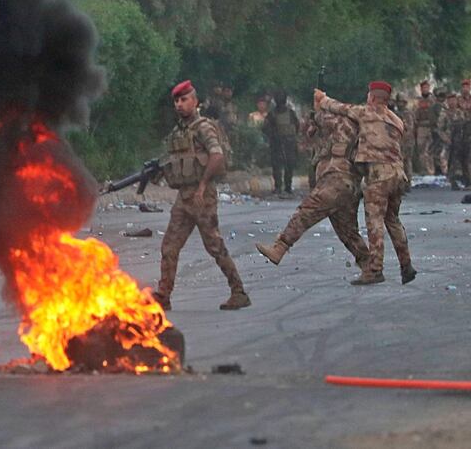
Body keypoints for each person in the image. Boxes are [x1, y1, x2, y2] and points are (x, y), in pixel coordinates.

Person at [153, 80, 251, 311]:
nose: (179, 104)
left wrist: (202, 186)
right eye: (176, 100)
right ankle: (163, 295)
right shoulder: (178, 132)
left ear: (195, 102)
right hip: (184, 197)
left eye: (184, 99)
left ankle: (239, 292)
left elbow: (216, 156)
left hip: (202, 196)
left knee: (214, 246)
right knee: (169, 247)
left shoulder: (204, 127)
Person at [314, 82, 417, 285]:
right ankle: (406, 265)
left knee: (375, 222)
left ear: (371, 97)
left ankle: (375, 270)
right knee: (393, 220)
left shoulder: (366, 113)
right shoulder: (397, 120)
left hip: (378, 176)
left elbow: (339, 107)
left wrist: (321, 98)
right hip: (398, 174)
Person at [255, 107, 371, 277]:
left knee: (307, 211)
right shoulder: (334, 129)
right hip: (344, 184)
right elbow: (311, 135)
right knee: (347, 231)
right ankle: (369, 265)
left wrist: (319, 107)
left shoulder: (341, 122)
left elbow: (322, 122)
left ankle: (280, 247)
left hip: (336, 181)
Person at [263, 90, 299, 195]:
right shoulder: (272, 114)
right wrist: (273, 135)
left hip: (289, 143)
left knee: (289, 165)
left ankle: (287, 186)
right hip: (277, 143)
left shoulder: (290, 113)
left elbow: (296, 126)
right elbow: (265, 128)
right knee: (277, 166)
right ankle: (278, 186)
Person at [437, 93, 465, 190]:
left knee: (459, 160)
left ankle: (462, 178)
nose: (452, 102)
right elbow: (440, 129)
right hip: (449, 141)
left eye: (454, 100)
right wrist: (445, 139)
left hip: (460, 140)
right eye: (450, 100)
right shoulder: (444, 113)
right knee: (449, 160)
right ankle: (452, 180)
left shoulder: (460, 113)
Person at [395, 93, 416, 187]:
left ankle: (407, 182)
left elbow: (409, 127)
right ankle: (402, 182)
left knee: (407, 161)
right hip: (400, 140)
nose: (400, 104)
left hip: (407, 140)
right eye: (399, 102)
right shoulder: (396, 113)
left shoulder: (407, 113)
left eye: (401, 102)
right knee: (401, 162)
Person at [414, 81, 435, 175]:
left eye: (427, 87)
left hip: (431, 127)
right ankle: (423, 170)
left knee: (431, 149)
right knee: (421, 149)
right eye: (423, 88)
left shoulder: (433, 100)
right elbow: (414, 115)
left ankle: (432, 170)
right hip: (421, 128)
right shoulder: (417, 101)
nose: (425, 89)